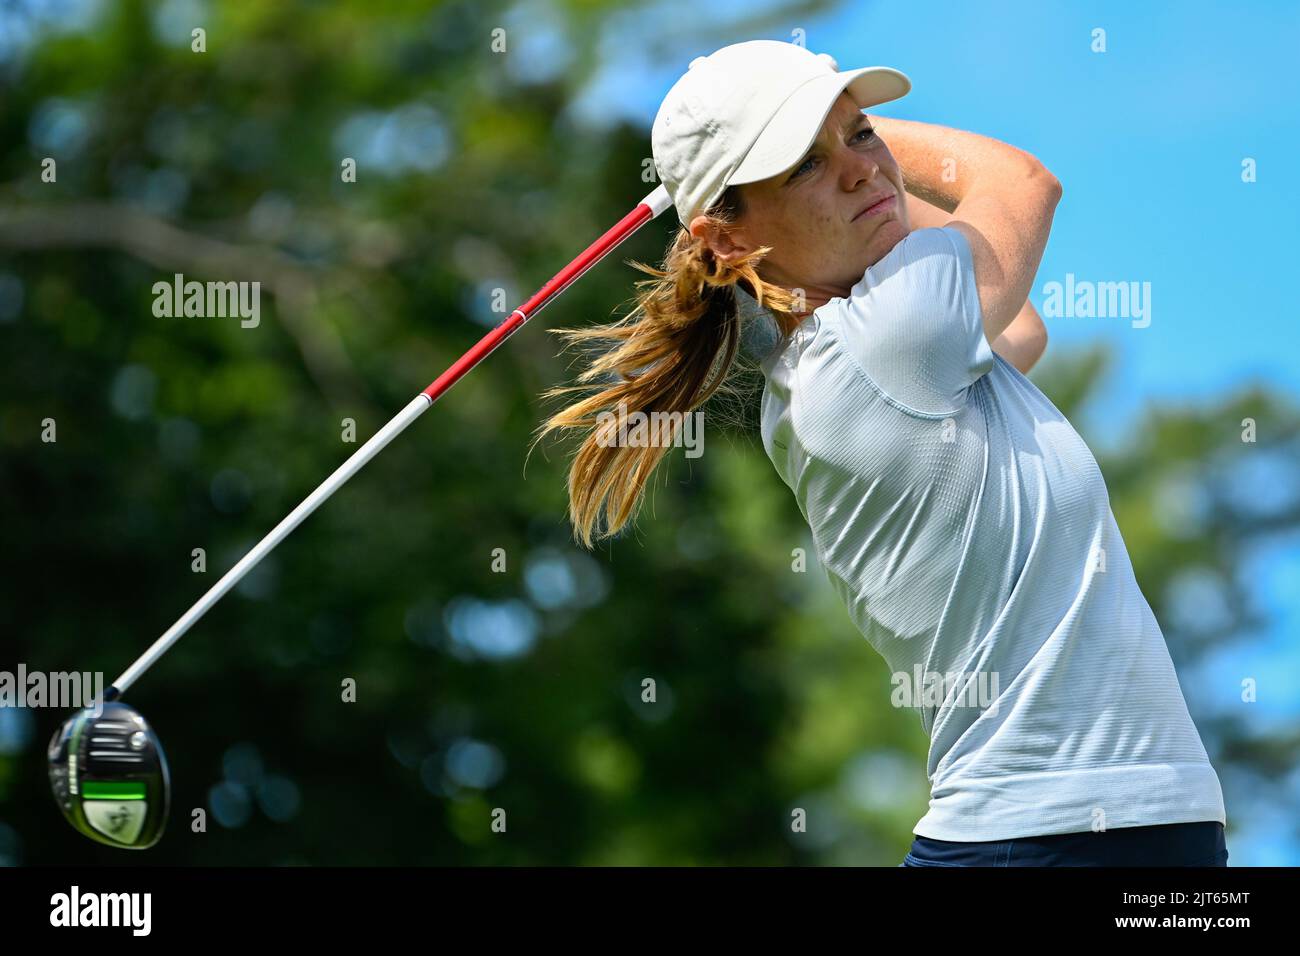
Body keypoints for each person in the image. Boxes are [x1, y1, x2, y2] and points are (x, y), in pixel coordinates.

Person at [531, 40, 1228, 867]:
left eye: (863, 136)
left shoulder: (872, 347)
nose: (861, 169)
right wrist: (861, 135)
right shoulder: (889, 336)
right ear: (725, 238)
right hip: (1058, 838)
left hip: (1093, 833)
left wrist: (837, 147)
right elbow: (1023, 182)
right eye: (801, 167)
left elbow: (1023, 329)